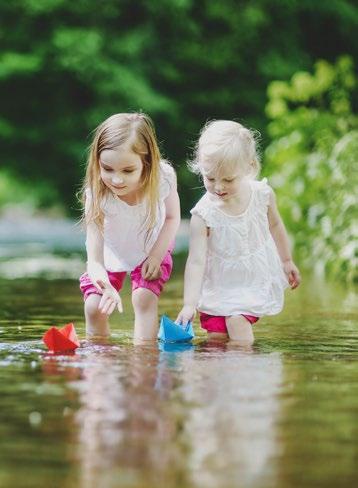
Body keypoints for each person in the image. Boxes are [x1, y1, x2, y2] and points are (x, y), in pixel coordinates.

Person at [176, 120, 301, 345]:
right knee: (216, 339)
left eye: (228, 179)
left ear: (248, 167)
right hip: (218, 284)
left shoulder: (262, 195)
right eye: (210, 178)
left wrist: (287, 260)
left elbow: (276, 226)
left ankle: (245, 374)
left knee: (237, 322)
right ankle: (221, 378)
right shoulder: (203, 215)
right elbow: (196, 261)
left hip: (249, 280)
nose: (219, 187)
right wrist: (189, 304)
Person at [79, 113, 180, 341]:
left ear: (147, 164)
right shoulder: (97, 194)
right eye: (108, 169)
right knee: (95, 306)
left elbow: (173, 218)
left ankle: (143, 361)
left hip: (151, 245)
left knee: (143, 297)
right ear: (97, 162)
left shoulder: (163, 178)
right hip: (111, 250)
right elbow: (94, 260)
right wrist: (104, 284)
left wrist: (156, 256)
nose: (116, 180)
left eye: (127, 171)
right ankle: (99, 361)